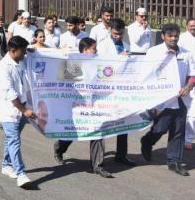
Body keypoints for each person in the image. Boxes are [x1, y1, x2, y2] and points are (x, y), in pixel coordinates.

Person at [54, 37, 119, 178]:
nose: (96, 52)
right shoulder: (74, 64)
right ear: (85, 50)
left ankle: (97, 166)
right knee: (72, 132)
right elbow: (61, 81)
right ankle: (59, 148)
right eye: (94, 49)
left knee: (97, 132)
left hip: (93, 105)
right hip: (77, 105)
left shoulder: (97, 64)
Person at [141, 23, 195, 176]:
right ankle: (147, 141)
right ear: (163, 36)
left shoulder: (186, 53)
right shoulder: (153, 52)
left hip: (181, 98)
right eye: (170, 36)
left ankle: (174, 162)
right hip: (162, 99)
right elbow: (147, 74)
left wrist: (188, 87)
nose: (173, 38)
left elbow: (192, 74)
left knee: (178, 132)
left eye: (176, 36)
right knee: (161, 128)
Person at [0, 35, 36, 188]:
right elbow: (10, 93)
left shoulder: (20, 60)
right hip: (10, 110)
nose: (25, 54)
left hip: (21, 106)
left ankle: (6, 165)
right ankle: (21, 173)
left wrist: (32, 51)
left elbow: (32, 53)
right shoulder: (3, 68)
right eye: (23, 51)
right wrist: (25, 111)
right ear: (13, 50)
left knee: (12, 139)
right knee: (14, 140)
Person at [96, 19, 136, 167]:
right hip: (105, 90)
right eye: (115, 33)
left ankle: (121, 155)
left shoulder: (126, 46)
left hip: (120, 90)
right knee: (101, 124)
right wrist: (120, 59)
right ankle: (62, 146)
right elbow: (102, 68)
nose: (118, 36)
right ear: (110, 31)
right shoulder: (102, 45)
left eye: (120, 33)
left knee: (122, 122)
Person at [179, 18, 195, 149]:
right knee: (191, 110)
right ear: (186, 27)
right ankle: (187, 139)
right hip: (188, 78)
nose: (193, 27)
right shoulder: (182, 38)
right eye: (191, 26)